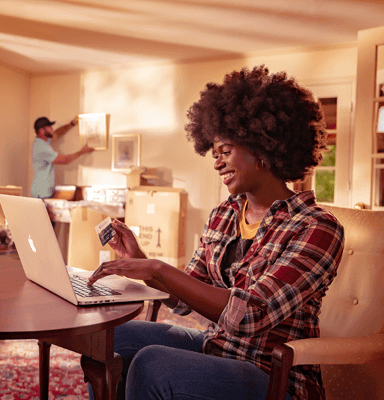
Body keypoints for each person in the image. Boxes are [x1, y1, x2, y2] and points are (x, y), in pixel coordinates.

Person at [87, 66, 345, 400]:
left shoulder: (315, 228)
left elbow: (251, 315)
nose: (216, 163)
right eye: (214, 153)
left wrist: (158, 269)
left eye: (225, 151)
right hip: (216, 347)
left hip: (273, 376)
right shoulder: (225, 214)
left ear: (264, 147)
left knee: (154, 365)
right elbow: (183, 297)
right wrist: (140, 261)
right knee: (112, 338)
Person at [30, 116, 94, 199]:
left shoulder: (41, 142)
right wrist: (82, 151)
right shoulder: (41, 147)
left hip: (42, 191)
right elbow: (65, 160)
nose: (52, 129)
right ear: (42, 131)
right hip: (41, 193)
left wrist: (71, 124)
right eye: (49, 127)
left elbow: (57, 133)